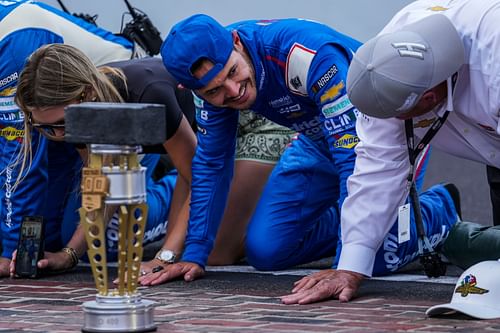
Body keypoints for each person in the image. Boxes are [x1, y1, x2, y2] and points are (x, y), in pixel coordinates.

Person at [139, 14, 459, 288]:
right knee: (266, 252)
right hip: (315, 142)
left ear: (236, 41)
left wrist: (346, 262)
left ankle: (436, 211)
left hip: (379, 145)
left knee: (369, 260)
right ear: (190, 89)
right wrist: (194, 254)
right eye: (214, 91)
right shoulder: (211, 80)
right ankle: (361, 221)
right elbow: (211, 163)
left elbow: (354, 158)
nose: (233, 91)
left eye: (233, 73)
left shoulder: (308, 55)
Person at [283, 0, 500, 305]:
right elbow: (377, 170)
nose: (395, 124)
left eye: (403, 116)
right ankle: (461, 238)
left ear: (430, 97)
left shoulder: (493, 58)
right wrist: (349, 268)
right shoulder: (387, 70)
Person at [11, 44, 195, 274]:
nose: (58, 135)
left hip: (205, 145)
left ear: (87, 94)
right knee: (79, 236)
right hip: (143, 141)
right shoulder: (78, 113)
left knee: (210, 248)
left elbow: (199, 177)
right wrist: (68, 255)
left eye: (61, 124)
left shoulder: (150, 92)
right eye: (45, 127)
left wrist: (165, 258)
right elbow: (101, 188)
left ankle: (170, 180)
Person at [0, 0, 142, 277]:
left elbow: (20, 160)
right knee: (43, 242)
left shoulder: (13, 45)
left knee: (74, 239)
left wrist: (9, 252)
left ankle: (164, 186)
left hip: (112, 106)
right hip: (53, 122)